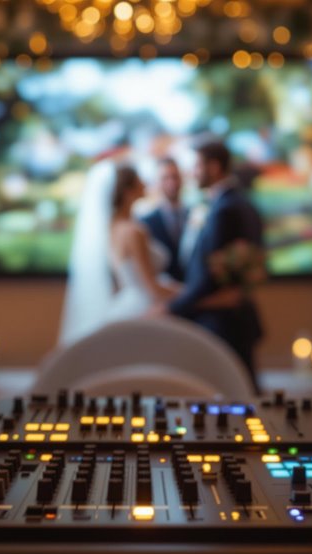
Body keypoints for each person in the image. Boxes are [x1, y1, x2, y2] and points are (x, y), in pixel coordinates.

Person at [164, 139, 265, 394]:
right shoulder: (237, 202)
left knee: (230, 398)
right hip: (230, 318)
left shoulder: (226, 209)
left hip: (222, 323)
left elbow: (211, 276)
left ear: (215, 166)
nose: (192, 172)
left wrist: (172, 307)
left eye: (197, 165)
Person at [59, 161, 177, 345]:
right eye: (139, 180)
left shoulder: (111, 228)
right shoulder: (133, 231)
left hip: (127, 304)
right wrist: (190, 293)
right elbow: (151, 288)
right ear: (128, 190)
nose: (145, 183)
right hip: (146, 308)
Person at [139, 158, 188, 282]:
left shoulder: (195, 213)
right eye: (165, 178)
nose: (172, 183)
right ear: (156, 183)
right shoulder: (145, 222)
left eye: (175, 176)